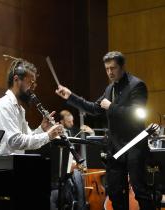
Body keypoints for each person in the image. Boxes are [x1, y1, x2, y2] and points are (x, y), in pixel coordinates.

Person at [55, 51, 154, 210]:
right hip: (115, 148)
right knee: (114, 193)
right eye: (107, 69)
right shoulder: (109, 89)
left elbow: (136, 114)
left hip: (134, 146)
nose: (110, 72)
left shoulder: (137, 85)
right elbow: (93, 108)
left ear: (121, 67)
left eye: (113, 68)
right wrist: (70, 96)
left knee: (140, 191)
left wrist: (111, 107)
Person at [0, 55, 63, 156]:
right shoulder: (4, 105)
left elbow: (27, 137)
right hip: (0, 167)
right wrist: (48, 135)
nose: (33, 87)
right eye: (31, 82)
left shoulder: (19, 109)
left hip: (12, 165)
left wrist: (42, 128)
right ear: (16, 79)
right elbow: (15, 141)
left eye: (35, 83)